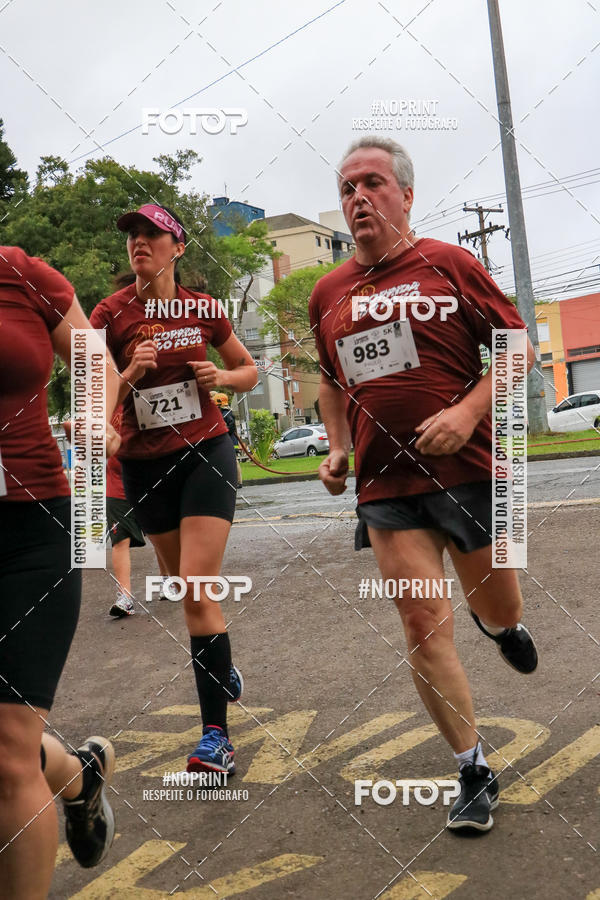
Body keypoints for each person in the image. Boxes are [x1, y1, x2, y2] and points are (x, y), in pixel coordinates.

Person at [309, 137, 538, 832]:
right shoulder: (328, 291)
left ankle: (499, 624)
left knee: (498, 604)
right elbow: (327, 378)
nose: (357, 198)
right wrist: (339, 448)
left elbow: (516, 346)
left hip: (467, 472)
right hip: (385, 487)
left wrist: (469, 412)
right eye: (348, 187)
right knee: (418, 622)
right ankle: (472, 767)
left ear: (405, 196)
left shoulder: (449, 262)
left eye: (372, 183)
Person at [90, 204, 257, 774]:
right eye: (133, 235)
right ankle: (220, 665)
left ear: (177, 248)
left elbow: (248, 370)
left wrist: (222, 378)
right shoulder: (109, 315)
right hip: (144, 467)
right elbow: (92, 399)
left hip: (205, 453)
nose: (139, 242)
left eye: (152, 235)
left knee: (195, 588)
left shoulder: (204, 310)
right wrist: (130, 373)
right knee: (185, 591)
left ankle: (216, 738)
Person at [0, 246, 120, 897]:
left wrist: (95, 431)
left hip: (29, 530)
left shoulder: (22, 274)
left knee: (5, 750)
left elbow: (96, 366)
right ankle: (79, 776)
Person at [211, 391, 243, 487]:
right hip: (228, 441)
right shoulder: (224, 412)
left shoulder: (226, 413)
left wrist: (222, 431)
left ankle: (238, 482)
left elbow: (231, 427)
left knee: (233, 462)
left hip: (230, 441)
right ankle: (233, 481)